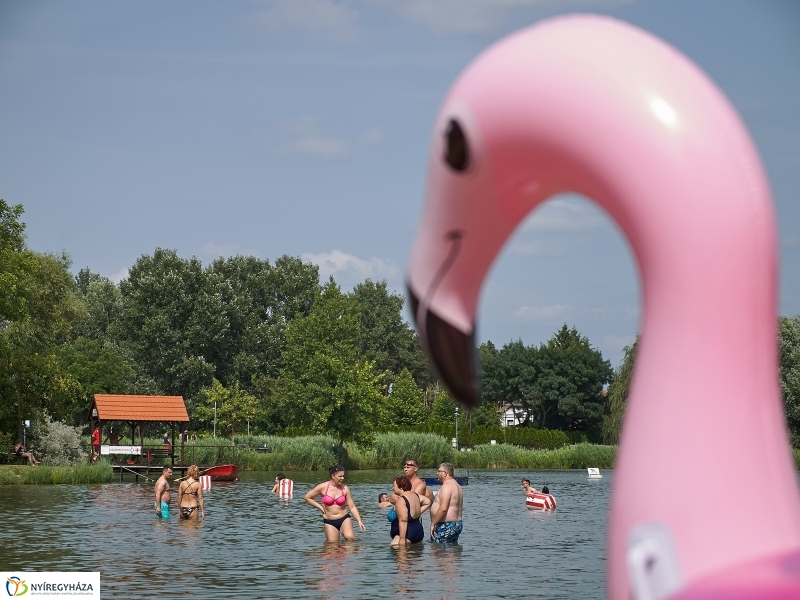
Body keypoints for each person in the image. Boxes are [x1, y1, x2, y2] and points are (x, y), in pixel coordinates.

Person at [304, 465, 366, 541]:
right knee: (333, 545)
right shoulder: (322, 487)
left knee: (350, 537)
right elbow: (307, 497)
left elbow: (352, 507)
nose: (342, 478)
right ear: (333, 476)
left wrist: (359, 521)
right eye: (340, 476)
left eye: (343, 476)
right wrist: (320, 507)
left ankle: (354, 551)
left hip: (344, 518)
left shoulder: (345, 488)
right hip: (329, 521)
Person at [390, 475, 431, 546]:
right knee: (413, 556)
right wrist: (418, 512)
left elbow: (403, 521)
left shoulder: (401, 500)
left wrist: (402, 540)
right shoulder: (415, 495)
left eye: (394, 486)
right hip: (418, 532)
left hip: (408, 534)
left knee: (394, 548)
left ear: (401, 486)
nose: (392, 488)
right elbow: (427, 502)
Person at [430, 462, 463, 543]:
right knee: (451, 552)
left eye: (439, 471)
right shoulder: (457, 486)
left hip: (446, 525)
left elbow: (443, 508)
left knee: (438, 551)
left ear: (445, 473)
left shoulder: (447, 486)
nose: (437, 473)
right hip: (456, 524)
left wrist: (433, 524)